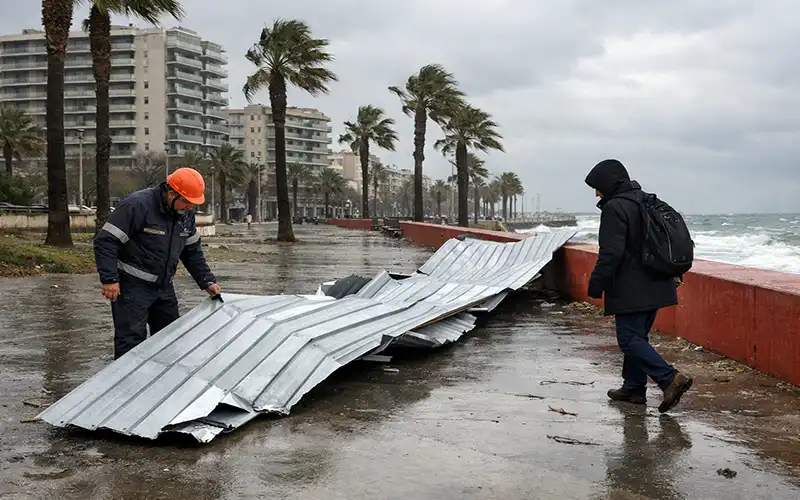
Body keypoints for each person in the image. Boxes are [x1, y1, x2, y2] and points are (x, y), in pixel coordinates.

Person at [585, 159, 693, 413]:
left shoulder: (615, 207)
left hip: (632, 287)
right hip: (658, 281)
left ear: (609, 183)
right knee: (637, 336)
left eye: (598, 187)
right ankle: (633, 387)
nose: (597, 193)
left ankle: (670, 378)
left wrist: (596, 284)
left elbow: (611, 253)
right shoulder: (647, 200)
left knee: (629, 339)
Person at [94, 168, 221, 360]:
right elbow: (106, 241)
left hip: (163, 287)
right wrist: (110, 279)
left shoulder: (185, 215)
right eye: (186, 201)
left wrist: (207, 281)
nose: (189, 207)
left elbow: (192, 251)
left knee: (169, 338)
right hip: (132, 287)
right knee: (131, 342)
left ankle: (163, 377)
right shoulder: (137, 205)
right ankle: (128, 379)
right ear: (171, 194)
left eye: (192, 203)